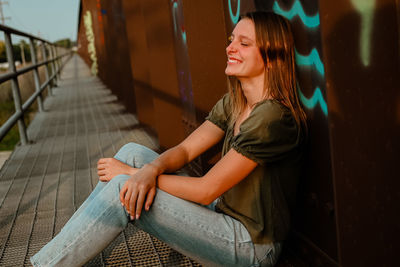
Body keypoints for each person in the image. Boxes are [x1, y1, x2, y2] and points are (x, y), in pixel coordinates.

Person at [31, 11, 306, 267]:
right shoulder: (236, 102)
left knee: (123, 186)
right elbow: (186, 150)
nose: (230, 47)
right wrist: (147, 169)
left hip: (250, 245)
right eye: (231, 39)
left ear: (271, 56)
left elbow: (206, 189)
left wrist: (133, 175)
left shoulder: (272, 118)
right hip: (221, 212)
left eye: (244, 43)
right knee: (132, 153)